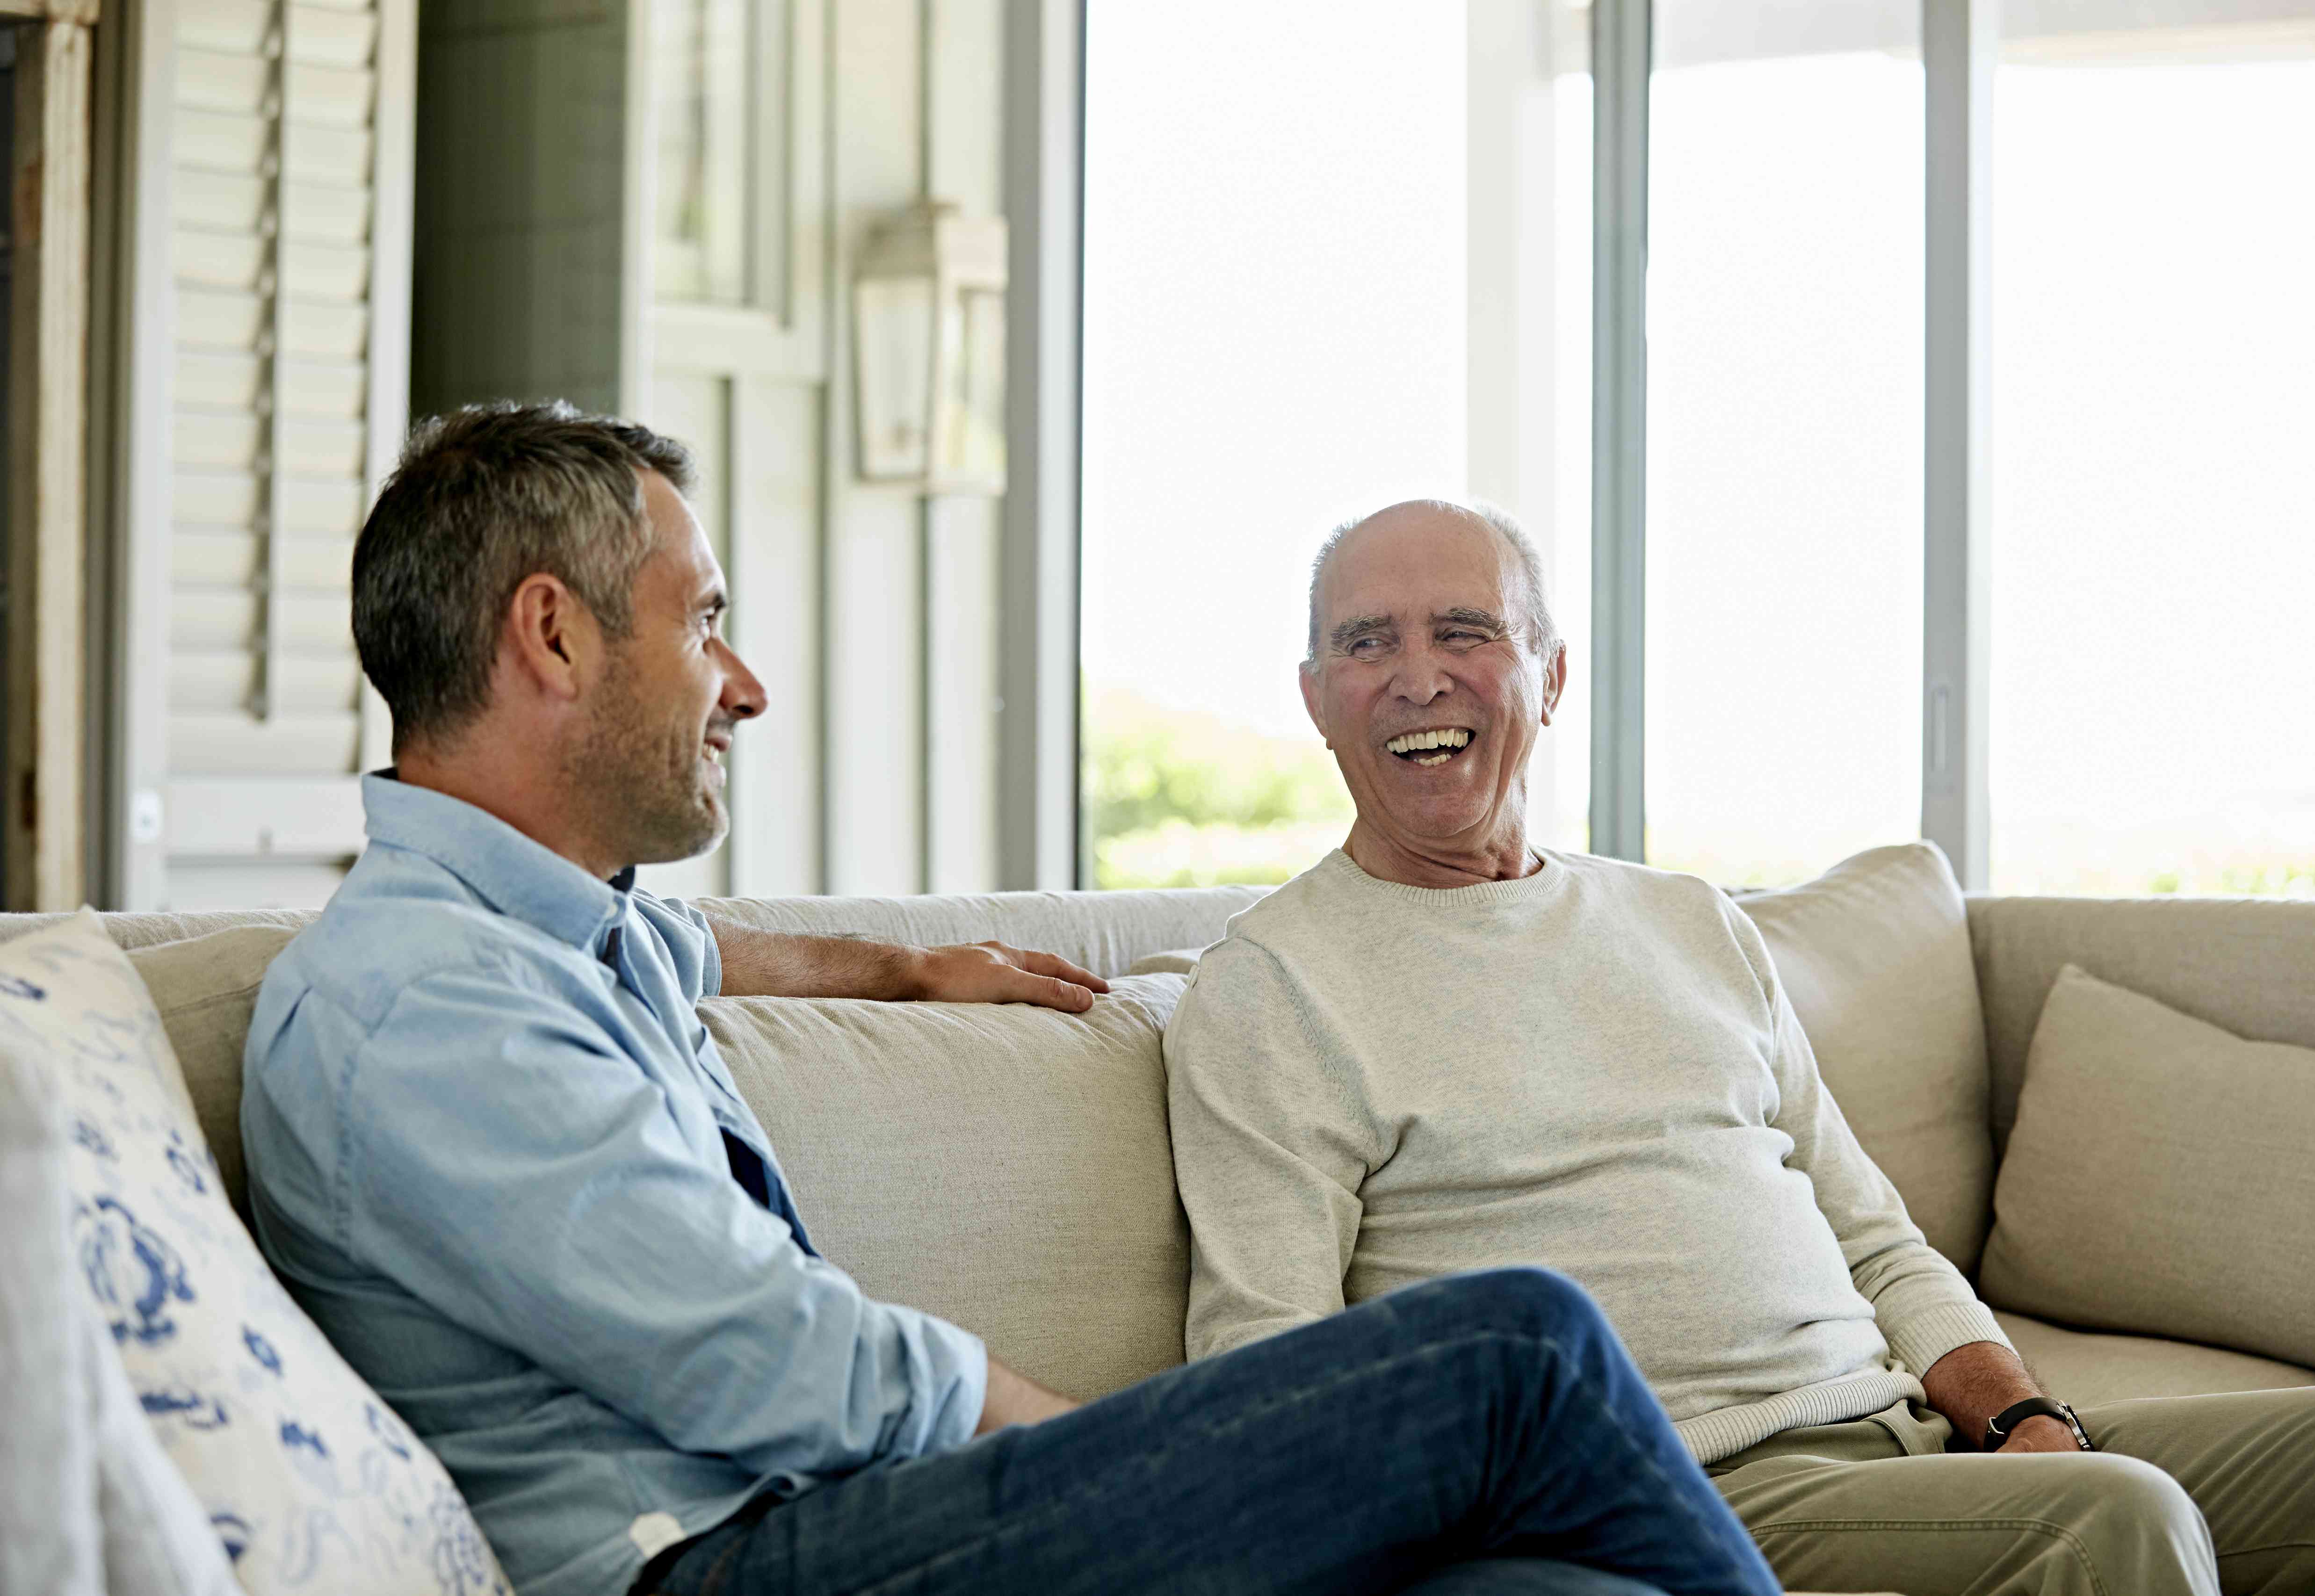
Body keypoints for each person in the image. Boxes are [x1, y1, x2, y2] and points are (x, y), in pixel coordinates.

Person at [240, 405, 1781, 1596]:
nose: (746, 684)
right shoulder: (429, 1007)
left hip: (810, 1539)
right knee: (1521, 1347)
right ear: (555, 635)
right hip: (717, 1566)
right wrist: (1147, 1452)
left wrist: (905, 966)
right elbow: (786, 1365)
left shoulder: (558, 937)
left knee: (1545, 1583)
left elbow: (712, 953)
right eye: (704, 619)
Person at [1163, 498, 2315, 1596]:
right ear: (1318, 698)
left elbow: (1874, 1236)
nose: (1417, 676)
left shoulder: (1688, 921)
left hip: (1909, 1438)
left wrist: (2017, 1414)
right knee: (2104, 1525)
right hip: (1684, 1496)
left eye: (1466, 631)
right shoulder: (1273, 988)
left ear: (1549, 676)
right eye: (1366, 643)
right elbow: (1270, 1378)